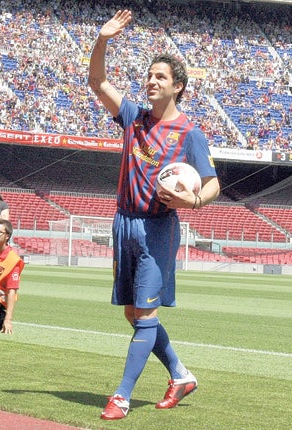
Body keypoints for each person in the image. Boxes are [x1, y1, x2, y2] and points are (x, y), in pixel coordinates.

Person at [88, 10, 220, 420]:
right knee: (132, 313)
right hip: (123, 223)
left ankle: (122, 395)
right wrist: (103, 39)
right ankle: (180, 374)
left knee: (145, 313)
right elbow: (97, 81)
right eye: (149, 76)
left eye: (160, 77)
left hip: (158, 228)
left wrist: (193, 202)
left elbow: (213, 184)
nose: (151, 81)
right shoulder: (133, 118)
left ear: (177, 86)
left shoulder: (190, 134)